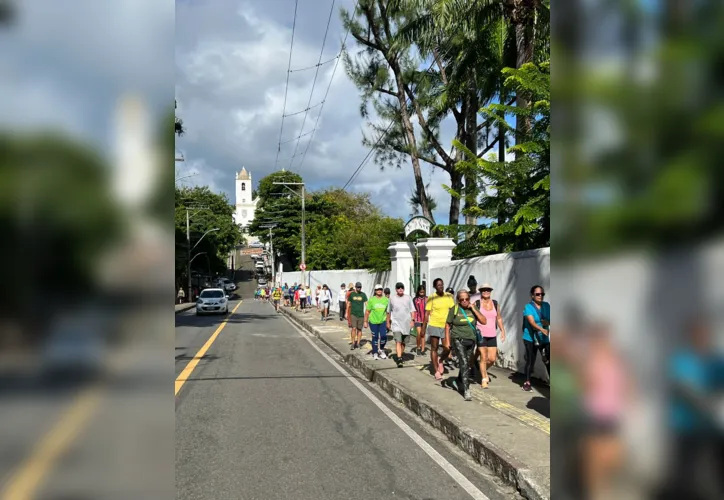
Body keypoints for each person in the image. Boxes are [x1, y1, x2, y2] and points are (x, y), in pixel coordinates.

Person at [445, 289, 487, 401]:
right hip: (458, 339)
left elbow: (484, 321)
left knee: (467, 364)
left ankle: (458, 380)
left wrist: (473, 308)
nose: (464, 301)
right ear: (458, 300)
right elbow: (448, 325)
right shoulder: (454, 309)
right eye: (461, 299)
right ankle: (466, 388)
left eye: (466, 299)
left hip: (471, 340)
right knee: (463, 362)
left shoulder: (473, 309)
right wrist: (448, 342)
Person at [473, 283, 506, 388]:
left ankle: (480, 369)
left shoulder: (495, 303)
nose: (486, 291)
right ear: (481, 291)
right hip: (480, 334)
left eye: (488, 290)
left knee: (491, 359)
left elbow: (499, 318)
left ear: (490, 291)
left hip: (492, 334)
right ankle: (484, 378)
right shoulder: (477, 303)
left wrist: (502, 331)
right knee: (483, 356)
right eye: (483, 290)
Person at [423, 278, 455, 380]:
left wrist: (453, 322)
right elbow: (427, 314)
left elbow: (452, 310)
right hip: (434, 324)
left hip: (445, 326)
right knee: (434, 347)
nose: (441, 286)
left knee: (447, 347)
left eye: (442, 284)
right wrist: (423, 328)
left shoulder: (449, 296)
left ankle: (440, 360)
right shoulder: (432, 297)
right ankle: (436, 371)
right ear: (435, 287)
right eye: (438, 285)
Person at [522, 285, 551, 392]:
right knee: (531, 360)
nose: (540, 296)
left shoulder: (546, 306)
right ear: (532, 295)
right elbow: (531, 322)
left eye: (542, 294)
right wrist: (541, 329)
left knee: (549, 360)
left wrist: (547, 323)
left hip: (544, 338)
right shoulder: (528, 307)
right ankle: (527, 382)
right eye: (537, 294)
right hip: (530, 337)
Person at [388, 282, 415, 367]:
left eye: (402, 288)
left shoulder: (408, 298)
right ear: (396, 289)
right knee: (398, 341)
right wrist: (388, 322)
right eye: (398, 288)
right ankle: (399, 359)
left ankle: (400, 354)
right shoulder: (392, 299)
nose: (400, 289)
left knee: (403, 342)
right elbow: (388, 311)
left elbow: (412, 310)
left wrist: (413, 320)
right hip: (396, 324)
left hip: (406, 323)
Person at [364, 284, 390, 360]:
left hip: (382, 321)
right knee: (375, 337)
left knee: (384, 336)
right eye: (378, 289)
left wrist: (388, 322)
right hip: (373, 322)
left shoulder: (386, 300)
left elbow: (387, 312)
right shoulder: (372, 300)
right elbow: (367, 311)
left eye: (381, 289)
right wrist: (365, 321)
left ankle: (381, 350)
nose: (379, 291)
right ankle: (375, 352)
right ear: (375, 291)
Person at [346, 282, 367, 350]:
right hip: (353, 314)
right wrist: (346, 313)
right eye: (358, 287)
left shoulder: (363, 295)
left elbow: (367, 304)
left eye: (360, 287)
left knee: (359, 329)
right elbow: (348, 304)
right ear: (355, 287)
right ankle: (353, 343)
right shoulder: (352, 294)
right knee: (354, 328)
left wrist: (369, 313)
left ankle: (358, 343)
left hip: (361, 314)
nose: (359, 288)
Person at [413, 285, 427, 355]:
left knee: (423, 334)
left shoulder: (427, 299)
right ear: (418, 292)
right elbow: (412, 309)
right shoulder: (415, 299)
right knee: (419, 333)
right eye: (420, 292)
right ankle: (418, 347)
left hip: (425, 319)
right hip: (417, 318)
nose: (422, 293)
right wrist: (412, 318)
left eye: (423, 292)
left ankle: (423, 349)